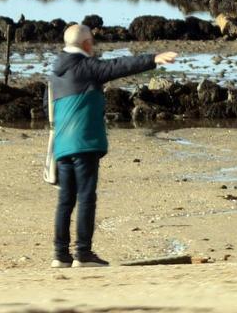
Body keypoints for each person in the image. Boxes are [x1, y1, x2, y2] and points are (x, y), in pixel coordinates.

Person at [45, 23, 177, 269]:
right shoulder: (84, 66)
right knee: (86, 197)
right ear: (86, 44)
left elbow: (49, 109)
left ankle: (60, 255)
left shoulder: (55, 73)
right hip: (84, 142)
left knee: (66, 200)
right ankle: (83, 254)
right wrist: (153, 59)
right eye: (92, 42)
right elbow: (116, 67)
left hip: (62, 145)